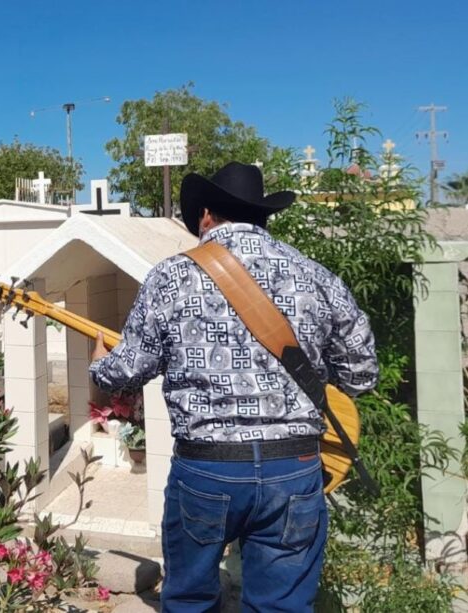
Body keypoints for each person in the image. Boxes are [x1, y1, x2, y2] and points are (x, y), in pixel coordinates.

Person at [88, 162, 378, 612]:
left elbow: (125, 373)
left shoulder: (170, 277)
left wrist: (100, 364)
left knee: (189, 600)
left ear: (205, 216)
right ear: (263, 216)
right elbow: (362, 373)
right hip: (294, 468)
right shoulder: (315, 275)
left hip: (208, 467)